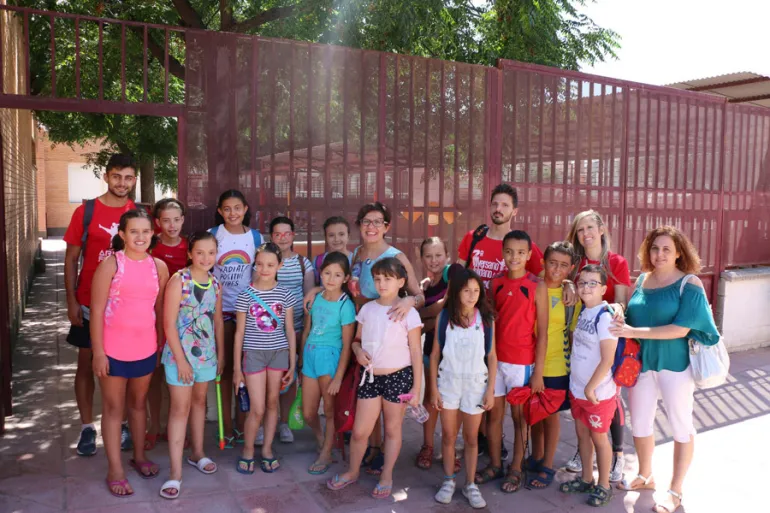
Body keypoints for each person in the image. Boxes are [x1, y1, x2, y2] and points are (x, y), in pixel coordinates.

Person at [305, 202, 426, 473]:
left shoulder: (396, 255)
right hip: (356, 333)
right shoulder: (356, 254)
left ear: (387, 226)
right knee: (359, 395)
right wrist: (314, 290)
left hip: (386, 338)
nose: (371, 227)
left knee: (382, 398)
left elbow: (419, 294)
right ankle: (370, 446)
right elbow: (338, 281)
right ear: (359, 226)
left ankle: (380, 450)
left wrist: (410, 302)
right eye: (366, 222)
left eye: (377, 222)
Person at [611, 226, 720, 513]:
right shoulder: (642, 280)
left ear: (679, 253)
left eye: (666, 249)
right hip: (642, 366)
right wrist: (621, 311)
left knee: (681, 426)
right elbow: (632, 311)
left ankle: (675, 490)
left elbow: (679, 329)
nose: (659, 254)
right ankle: (646, 475)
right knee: (642, 423)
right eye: (654, 248)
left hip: (676, 367)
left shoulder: (690, 284)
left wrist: (634, 331)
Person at [326, 257, 423, 500]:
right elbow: (357, 341)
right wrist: (358, 353)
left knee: (392, 429)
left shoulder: (408, 313)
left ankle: (387, 475)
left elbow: (415, 352)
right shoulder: (368, 309)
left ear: (401, 282)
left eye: (388, 279)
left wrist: (417, 388)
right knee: (360, 431)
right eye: (378, 279)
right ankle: (352, 471)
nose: (382, 283)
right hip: (370, 378)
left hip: (398, 377)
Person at [90, 209, 169, 497]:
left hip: (145, 349)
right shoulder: (111, 265)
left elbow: (159, 310)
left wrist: (160, 346)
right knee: (114, 409)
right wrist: (98, 352)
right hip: (112, 351)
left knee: (139, 405)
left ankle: (139, 456)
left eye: (145, 231)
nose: (140, 237)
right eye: (133, 231)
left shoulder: (158, 266)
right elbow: (96, 311)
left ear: (152, 234)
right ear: (122, 234)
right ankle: (115, 469)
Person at [63, 153, 138, 457]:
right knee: (86, 365)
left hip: (124, 306)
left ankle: (120, 424)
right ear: (107, 176)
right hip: (87, 303)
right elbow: (71, 258)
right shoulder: (86, 211)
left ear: (135, 180)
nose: (122, 183)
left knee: (121, 368)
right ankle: (86, 428)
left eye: (129, 177)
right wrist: (70, 298)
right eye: (117, 176)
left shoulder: (138, 212)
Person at [475, 230, 548, 494]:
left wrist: (538, 372)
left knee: (520, 420)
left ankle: (516, 468)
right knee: (493, 416)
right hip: (496, 362)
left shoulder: (536, 285)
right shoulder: (495, 283)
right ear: (503, 253)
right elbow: (490, 323)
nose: (514, 257)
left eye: (520, 252)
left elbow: (543, 334)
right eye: (509, 251)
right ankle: (495, 464)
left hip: (522, 364)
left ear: (529, 255)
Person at [564, 210, 631, 480]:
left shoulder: (617, 262)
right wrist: (569, 282)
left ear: (602, 229)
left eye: (590, 227)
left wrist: (616, 306)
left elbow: (622, 302)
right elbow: (566, 282)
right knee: (583, 398)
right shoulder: (575, 263)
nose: (586, 234)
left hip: (607, 336)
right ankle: (584, 452)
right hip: (582, 337)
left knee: (609, 398)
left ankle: (618, 456)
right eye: (580, 229)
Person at [159, 231, 224, 500]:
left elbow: (217, 320)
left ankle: (197, 453)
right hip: (179, 357)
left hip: (206, 356)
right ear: (190, 253)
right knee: (180, 409)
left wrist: (219, 355)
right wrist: (182, 360)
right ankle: (175, 472)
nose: (206, 258)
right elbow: (168, 324)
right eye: (200, 252)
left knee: (200, 403)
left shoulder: (215, 283)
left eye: (211, 252)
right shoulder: (179, 281)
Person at [431, 268, 497, 509]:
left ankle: (470, 484)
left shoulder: (486, 320)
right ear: (456, 292)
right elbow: (435, 354)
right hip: (448, 384)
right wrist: (434, 389)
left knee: (471, 438)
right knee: (448, 436)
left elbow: (491, 356)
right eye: (466, 291)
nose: (471, 296)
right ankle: (448, 481)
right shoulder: (445, 318)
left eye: (476, 291)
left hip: (475, 386)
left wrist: (490, 390)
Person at [232, 243, 297, 474]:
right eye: (260, 264)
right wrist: (237, 369)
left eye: (270, 264)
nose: (265, 269)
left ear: (280, 265)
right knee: (257, 408)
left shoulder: (286, 295)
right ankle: (248, 450)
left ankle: (267, 449)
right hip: (254, 356)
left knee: (272, 404)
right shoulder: (245, 296)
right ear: (254, 265)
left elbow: (289, 330)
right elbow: (239, 333)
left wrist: (292, 361)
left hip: (278, 355)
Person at [558, 264, 618, 507]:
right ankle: (586, 478)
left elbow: (608, 359)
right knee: (582, 435)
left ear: (604, 288)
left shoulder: (605, 317)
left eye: (593, 283)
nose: (586, 287)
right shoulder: (584, 311)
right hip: (578, 389)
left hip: (597, 394)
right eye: (582, 282)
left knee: (599, 438)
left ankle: (604, 485)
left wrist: (591, 387)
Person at [209, 190, 264, 447]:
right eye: (227, 208)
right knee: (226, 368)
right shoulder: (213, 235)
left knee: (245, 371)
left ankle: (243, 425)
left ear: (245, 208)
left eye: (237, 208)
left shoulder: (255, 237)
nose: (232, 213)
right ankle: (227, 427)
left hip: (248, 313)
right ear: (220, 211)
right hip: (220, 313)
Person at [528, 241, 580, 489]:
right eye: (552, 263)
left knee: (550, 417)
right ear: (543, 263)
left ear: (570, 269)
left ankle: (548, 465)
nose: (557, 269)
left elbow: (572, 333)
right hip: (530, 363)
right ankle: (535, 457)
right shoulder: (532, 285)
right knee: (534, 416)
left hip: (557, 365)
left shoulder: (571, 297)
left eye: (563, 265)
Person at [300, 251, 356, 474]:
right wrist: (301, 360)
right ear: (320, 274)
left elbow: (346, 345)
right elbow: (306, 331)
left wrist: (339, 377)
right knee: (308, 412)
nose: (331, 279)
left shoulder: (346, 306)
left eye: (337, 274)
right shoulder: (315, 298)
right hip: (310, 355)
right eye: (327, 273)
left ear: (345, 278)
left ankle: (326, 454)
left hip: (330, 358)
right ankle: (323, 438)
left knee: (330, 411)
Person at [415, 237, 462, 472]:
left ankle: (449, 449)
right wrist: (430, 318)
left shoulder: (450, 273)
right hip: (431, 350)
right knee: (430, 400)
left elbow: (449, 304)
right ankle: (427, 446)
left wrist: (427, 315)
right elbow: (424, 318)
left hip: (455, 352)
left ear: (447, 255)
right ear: (421, 258)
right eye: (428, 256)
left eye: (438, 255)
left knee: (451, 402)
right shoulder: (424, 286)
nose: (434, 260)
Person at [146, 198, 189, 451]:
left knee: (180, 377)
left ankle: (180, 428)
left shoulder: (191, 247)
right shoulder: (150, 247)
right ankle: (154, 426)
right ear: (157, 222)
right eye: (165, 220)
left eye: (176, 219)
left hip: (185, 323)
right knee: (154, 376)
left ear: (183, 220)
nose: (171, 225)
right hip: (152, 318)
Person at [270, 216, 315, 444]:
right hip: (269, 331)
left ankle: (285, 423)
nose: (282, 238)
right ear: (271, 237)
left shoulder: (303, 263)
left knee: (290, 376)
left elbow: (308, 301)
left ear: (293, 235)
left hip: (295, 329)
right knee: (269, 376)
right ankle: (265, 422)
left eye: (286, 234)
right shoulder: (266, 261)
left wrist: (305, 331)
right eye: (277, 234)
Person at [457, 183, 544, 286]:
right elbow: (457, 275)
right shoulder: (472, 237)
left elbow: (547, 277)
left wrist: (566, 284)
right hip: (474, 301)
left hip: (505, 301)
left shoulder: (524, 245)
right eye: (495, 204)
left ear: (515, 211)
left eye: (505, 205)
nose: (498, 209)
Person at [313, 216, 352, 285]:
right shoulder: (318, 260)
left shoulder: (356, 260)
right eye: (331, 235)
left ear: (348, 236)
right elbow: (315, 286)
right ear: (325, 238)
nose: (336, 239)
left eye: (341, 234)